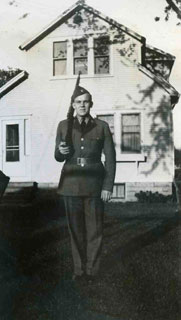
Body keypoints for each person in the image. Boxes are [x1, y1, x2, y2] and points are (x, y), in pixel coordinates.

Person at [54, 86, 116, 281]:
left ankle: (92, 271)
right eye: (78, 102)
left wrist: (107, 186)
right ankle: (79, 271)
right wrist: (61, 151)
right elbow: (57, 156)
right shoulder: (64, 125)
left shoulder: (101, 126)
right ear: (73, 105)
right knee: (76, 231)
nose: (82, 105)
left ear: (91, 104)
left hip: (94, 185)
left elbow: (111, 159)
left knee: (95, 230)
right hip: (71, 183)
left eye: (86, 101)